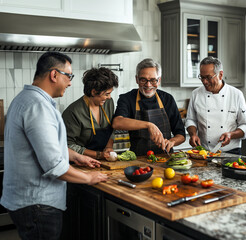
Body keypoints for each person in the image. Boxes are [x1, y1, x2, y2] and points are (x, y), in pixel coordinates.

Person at [0, 52, 108, 240]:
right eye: (69, 76)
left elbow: (44, 145)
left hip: (26, 203)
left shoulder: (24, 99)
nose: (70, 83)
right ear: (54, 74)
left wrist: (77, 156)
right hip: (38, 205)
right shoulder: (38, 106)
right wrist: (88, 178)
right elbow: (53, 166)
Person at [112, 58, 185, 155]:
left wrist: (172, 142)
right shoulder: (127, 98)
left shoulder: (167, 99)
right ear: (137, 79)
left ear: (159, 80)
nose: (148, 85)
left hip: (165, 157)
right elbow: (117, 122)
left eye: (153, 80)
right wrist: (149, 125)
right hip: (138, 160)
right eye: (143, 80)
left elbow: (181, 134)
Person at [185, 56, 246, 155]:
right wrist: (193, 134)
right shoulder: (196, 94)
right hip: (204, 152)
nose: (204, 81)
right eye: (202, 77)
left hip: (231, 152)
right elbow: (191, 119)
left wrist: (231, 135)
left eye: (208, 77)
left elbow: (245, 125)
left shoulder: (236, 94)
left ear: (220, 75)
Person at [62, 67, 119, 160]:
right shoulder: (73, 112)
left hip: (103, 161)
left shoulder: (108, 103)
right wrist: (98, 155)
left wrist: (108, 147)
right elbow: (67, 145)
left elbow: (112, 128)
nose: (109, 97)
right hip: (79, 163)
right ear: (94, 92)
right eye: (107, 94)